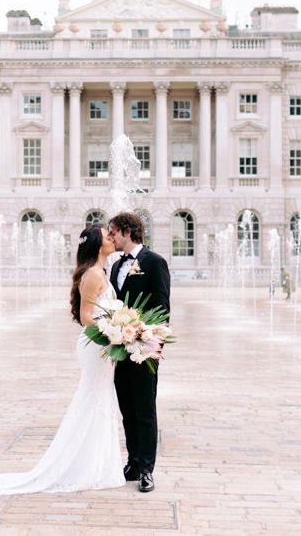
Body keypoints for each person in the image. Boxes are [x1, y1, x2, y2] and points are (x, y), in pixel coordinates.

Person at [0, 224, 125, 495]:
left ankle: (98, 463)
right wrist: (115, 329)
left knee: (100, 398)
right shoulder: (92, 274)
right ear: (97, 245)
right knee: (94, 396)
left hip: (102, 343)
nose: (112, 238)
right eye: (106, 236)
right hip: (96, 343)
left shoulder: (100, 271)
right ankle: (83, 465)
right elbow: (86, 315)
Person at [108, 211, 170, 494]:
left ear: (127, 231)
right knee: (127, 409)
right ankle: (133, 462)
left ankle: (146, 469)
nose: (111, 238)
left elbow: (163, 308)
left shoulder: (154, 262)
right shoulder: (115, 266)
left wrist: (151, 345)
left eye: (113, 232)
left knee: (145, 410)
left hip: (144, 350)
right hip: (120, 349)